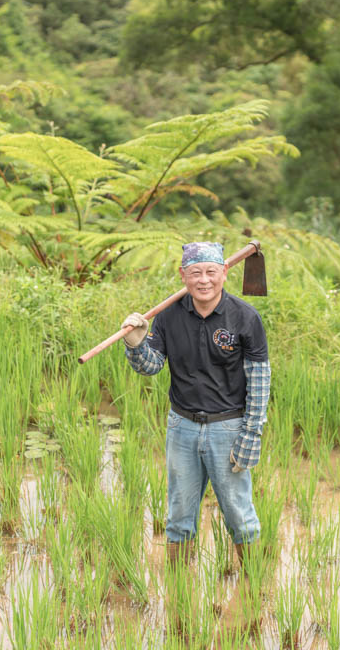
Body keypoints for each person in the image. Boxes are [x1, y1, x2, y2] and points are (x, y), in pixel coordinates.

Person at [120, 241, 271, 566]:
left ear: (224, 272)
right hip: (182, 427)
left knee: (239, 515)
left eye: (211, 272)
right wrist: (135, 343)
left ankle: (254, 589)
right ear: (183, 275)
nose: (204, 280)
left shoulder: (245, 318)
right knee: (178, 516)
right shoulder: (168, 317)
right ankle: (179, 594)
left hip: (228, 428)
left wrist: (251, 435)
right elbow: (151, 367)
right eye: (195, 273)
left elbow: (259, 382)